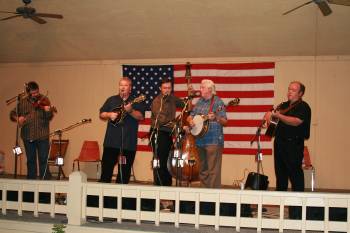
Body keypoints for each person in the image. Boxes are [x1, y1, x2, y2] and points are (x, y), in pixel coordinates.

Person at [264, 81, 311, 219]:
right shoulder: (282, 106)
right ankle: (281, 210)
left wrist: (279, 116)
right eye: (289, 89)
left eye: (294, 90)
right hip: (279, 144)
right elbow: (272, 126)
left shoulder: (303, 106)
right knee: (281, 177)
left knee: (295, 176)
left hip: (293, 145)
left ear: (300, 93)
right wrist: (268, 117)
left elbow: (296, 121)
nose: (290, 91)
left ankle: (297, 211)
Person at [99, 77, 145, 184]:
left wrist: (131, 110)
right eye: (121, 85)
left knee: (124, 174)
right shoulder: (111, 100)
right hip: (111, 142)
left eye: (125, 85)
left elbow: (140, 117)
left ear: (130, 88)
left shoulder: (136, 101)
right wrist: (109, 114)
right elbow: (101, 113)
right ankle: (103, 199)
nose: (122, 87)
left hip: (128, 143)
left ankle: (120, 199)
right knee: (106, 172)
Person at [187, 79, 227, 188]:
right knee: (203, 170)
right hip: (200, 141)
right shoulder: (200, 101)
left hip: (213, 141)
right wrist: (190, 120)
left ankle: (213, 198)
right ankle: (204, 196)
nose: (200, 89)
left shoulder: (218, 102)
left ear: (209, 89)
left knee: (213, 171)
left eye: (202, 87)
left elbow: (225, 121)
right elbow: (191, 115)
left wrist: (216, 117)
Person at [10, 81, 55, 179]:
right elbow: (12, 114)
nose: (36, 95)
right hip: (27, 135)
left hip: (42, 135)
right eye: (33, 93)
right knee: (31, 160)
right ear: (28, 92)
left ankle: (45, 182)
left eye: (37, 92)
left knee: (43, 159)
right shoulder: (22, 102)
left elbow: (49, 117)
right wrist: (18, 118)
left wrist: (48, 111)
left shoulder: (45, 99)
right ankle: (31, 183)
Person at [150, 78, 185, 186]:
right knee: (160, 162)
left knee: (168, 162)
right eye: (165, 88)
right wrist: (178, 125)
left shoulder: (173, 98)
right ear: (161, 88)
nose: (167, 90)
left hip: (168, 134)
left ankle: (167, 189)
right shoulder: (157, 101)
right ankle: (160, 189)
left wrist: (190, 96)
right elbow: (162, 120)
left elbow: (185, 105)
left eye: (169, 88)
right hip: (158, 133)